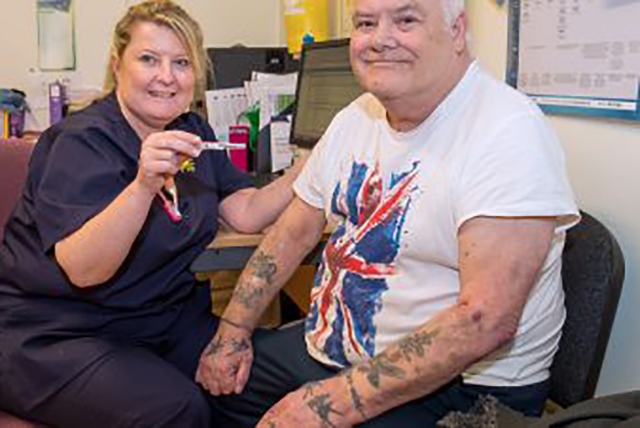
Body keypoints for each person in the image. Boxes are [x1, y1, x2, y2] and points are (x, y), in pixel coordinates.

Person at [196, 0, 581, 426]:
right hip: (338, 348)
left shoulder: (507, 131)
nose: (380, 39)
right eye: (365, 23)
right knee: (211, 391)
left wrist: (331, 404)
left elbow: (483, 321)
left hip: (461, 388)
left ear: (456, 31)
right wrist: (232, 332)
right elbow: (290, 235)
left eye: (406, 20)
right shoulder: (355, 118)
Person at [0, 1, 305, 427]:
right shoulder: (79, 142)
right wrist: (143, 184)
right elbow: (85, 270)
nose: (166, 76)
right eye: (148, 59)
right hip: (56, 333)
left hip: (158, 319)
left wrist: (307, 169)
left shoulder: (193, 132)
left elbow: (246, 212)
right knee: (176, 410)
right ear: (117, 65)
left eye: (181, 62)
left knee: (259, 381)